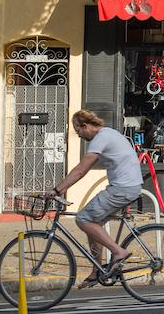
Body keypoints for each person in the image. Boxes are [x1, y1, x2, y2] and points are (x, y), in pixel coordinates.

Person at [47, 110, 143, 288]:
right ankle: (96, 271)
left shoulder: (101, 138)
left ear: (85, 125)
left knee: (83, 218)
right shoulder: (109, 133)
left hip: (123, 188)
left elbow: (81, 170)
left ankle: (118, 252)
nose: (80, 136)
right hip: (127, 186)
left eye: (79, 132)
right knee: (92, 223)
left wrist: (57, 189)